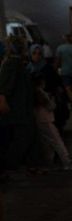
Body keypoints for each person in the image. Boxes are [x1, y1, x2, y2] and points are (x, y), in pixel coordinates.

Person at [0, 37, 41, 172]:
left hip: (22, 106)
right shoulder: (12, 63)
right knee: (24, 137)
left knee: (28, 136)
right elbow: (5, 87)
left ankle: (31, 164)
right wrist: (3, 102)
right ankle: (10, 165)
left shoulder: (16, 63)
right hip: (18, 108)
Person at [33, 76, 72, 171]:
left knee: (47, 143)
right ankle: (66, 162)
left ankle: (49, 162)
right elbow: (50, 106)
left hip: (39, 120)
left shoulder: (35, 93)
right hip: (46, 119)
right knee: (57, 141)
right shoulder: (41, 93)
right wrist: (52, 100)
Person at [56, 34, 72, 109]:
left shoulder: (60, 48)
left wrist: (56, 68)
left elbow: (58, 60)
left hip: (65, 71)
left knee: (67, 87)